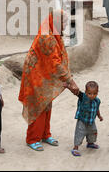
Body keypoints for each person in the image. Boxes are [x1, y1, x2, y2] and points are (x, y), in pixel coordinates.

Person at [19, 10, 79, 151]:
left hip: (45, 74)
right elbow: (55, 63)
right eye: (63, 22)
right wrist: (70, 81)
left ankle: (45, 134)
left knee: (47, 104)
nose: (65, 25)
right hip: (36, 75)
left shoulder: (54, 33)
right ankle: (32, 138)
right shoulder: (47, 37)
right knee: (38, 105)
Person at [70, 81, 103, 156]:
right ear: (86, 92)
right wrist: (68, 87)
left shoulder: (97, 101)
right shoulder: (83, 97)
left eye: (94, 93)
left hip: (91, 121)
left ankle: (90, 143)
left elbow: (97, 109)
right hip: (82, 120)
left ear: (97, 92)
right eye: (89, 93)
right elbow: (76, 92)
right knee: (80, 133)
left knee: (92, 131)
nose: (92, 96)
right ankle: (75, 148)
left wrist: (99, 116)